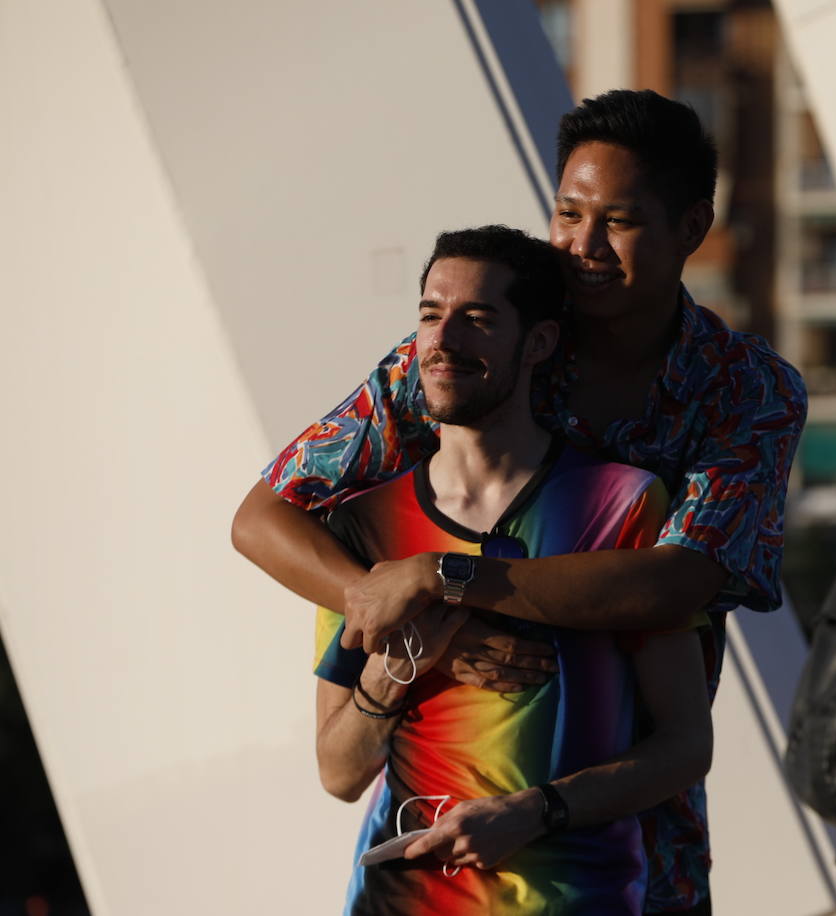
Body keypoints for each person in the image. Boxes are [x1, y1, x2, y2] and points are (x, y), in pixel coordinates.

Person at [232, 89, 806, 914]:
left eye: (620, 220)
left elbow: (679, 581)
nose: (583, 246)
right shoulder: (483, 339)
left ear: (691, 228)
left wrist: (447, 583)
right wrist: (404, 622)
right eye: (568, 213)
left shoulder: (748, 390)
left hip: (628, 809)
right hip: (443, 817)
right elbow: (264, 517)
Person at [313, 225, 711, 914]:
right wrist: (395, 669)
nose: (444, 340)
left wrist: (537, 811)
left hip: (576, 897)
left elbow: (683, 747)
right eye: (431, 314)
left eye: (477, 319)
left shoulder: (623, 503)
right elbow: (338, 773)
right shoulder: (362, 524)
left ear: (539, 344)